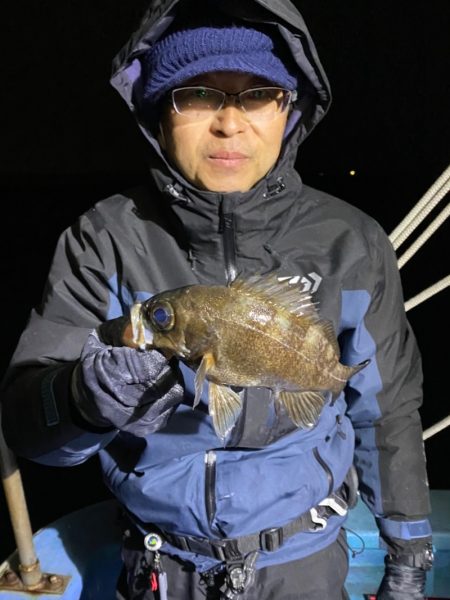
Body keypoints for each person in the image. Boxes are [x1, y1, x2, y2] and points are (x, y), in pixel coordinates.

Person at [0, 0, 434, 598]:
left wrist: (409, 556)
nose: (230, 124)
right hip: (156, 566)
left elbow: (387, 414)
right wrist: (80, 397)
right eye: (198, 94)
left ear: (290, 109)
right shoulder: (103, 239)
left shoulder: (351, 242)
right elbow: (28, 422)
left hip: (305, 562)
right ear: (158, 111)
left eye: (258, 94)